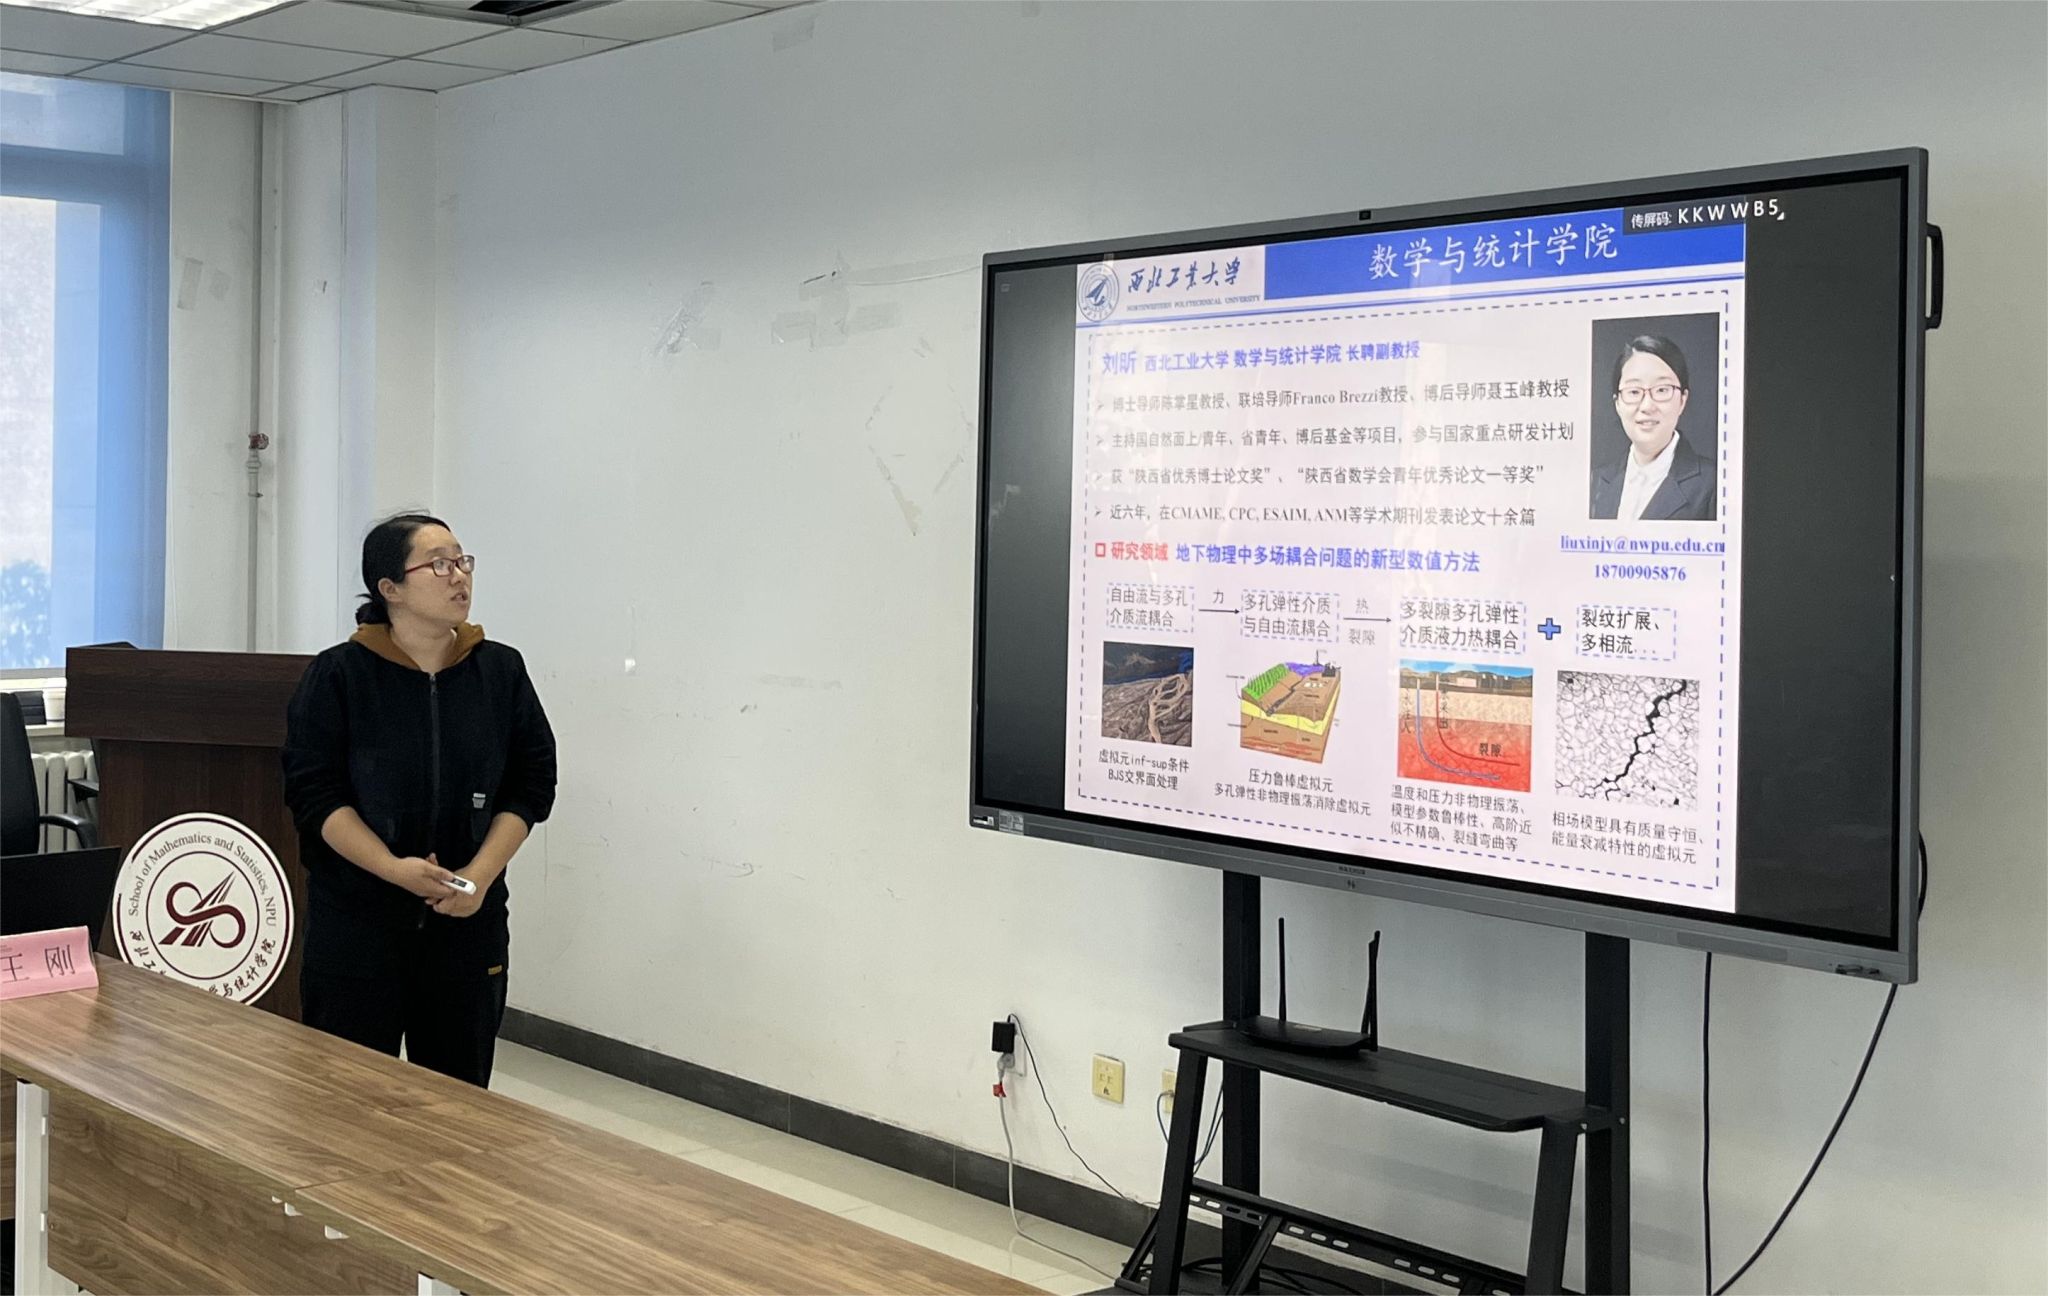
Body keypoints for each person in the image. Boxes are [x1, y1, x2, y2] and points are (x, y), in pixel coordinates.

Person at [283, 513, 556, 1086]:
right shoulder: (338, 675)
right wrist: (392, 870)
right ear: (390, 589)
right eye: (438, 564)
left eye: (462, 560)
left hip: (467, 923)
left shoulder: (500, 670)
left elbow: (531, 783)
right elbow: (314, 794)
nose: (458, 575)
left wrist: (478, 877)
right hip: (358, 924)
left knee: (457, 1103)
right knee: (349, 1097)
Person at [1589, 334, 1716, 522]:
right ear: (1617, 404)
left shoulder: (1715, 483)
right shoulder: (1595, 481)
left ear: (1682, 400)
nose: (1647, 406)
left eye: (1662, 390)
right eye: (1634, 391)